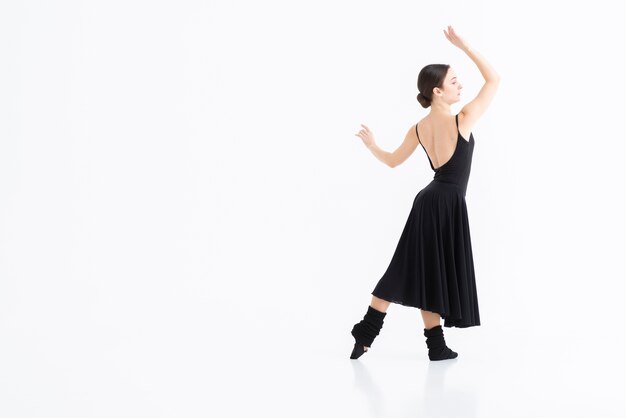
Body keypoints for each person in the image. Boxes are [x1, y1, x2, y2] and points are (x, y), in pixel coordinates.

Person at [350, 25, 500, 361]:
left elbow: (391, 161)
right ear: (438, 91)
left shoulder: (419, 128)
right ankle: (374, 331)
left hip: (430, 202)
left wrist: (373, 146)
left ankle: (413, 341)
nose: (460, 85)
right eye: (454, 82)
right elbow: (494, 80)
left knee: (420, 272)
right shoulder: (463, 120)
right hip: (445, 204)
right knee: (414, 271)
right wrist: (466, 46)